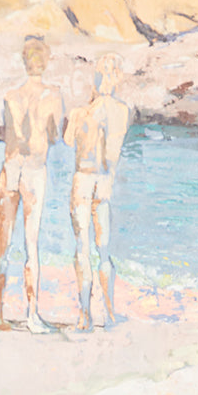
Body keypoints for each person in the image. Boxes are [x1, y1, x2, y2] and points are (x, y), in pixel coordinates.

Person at [0, 37, 65, 333]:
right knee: (30, 244)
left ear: (25, 61)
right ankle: (32, 315)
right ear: (45, 62)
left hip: (10, 168)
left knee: (3, 244)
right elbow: (55, 135)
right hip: (33, 170)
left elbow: (6, 132)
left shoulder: (10, 96)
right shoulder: (53, 95)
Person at [64, 53, 130, 329]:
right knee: (98, 250)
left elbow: (70, 141)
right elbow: (110, 154)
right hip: (100, 180)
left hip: (87, 178)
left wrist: (85, 118)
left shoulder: (86, 112)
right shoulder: (118, 111)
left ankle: (89, 313)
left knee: (87, 248)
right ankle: (104, 311)